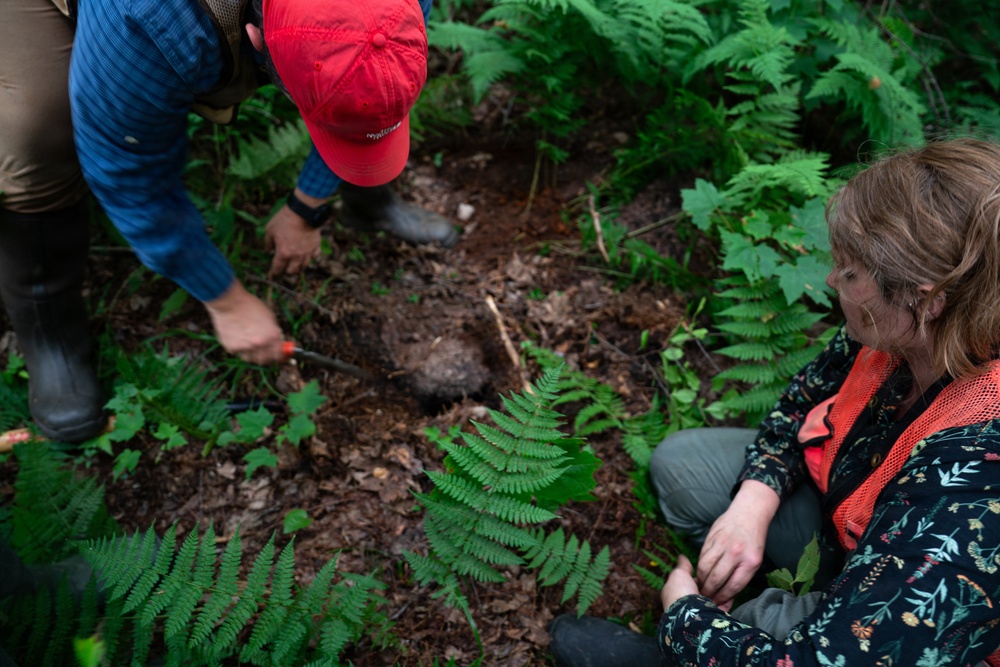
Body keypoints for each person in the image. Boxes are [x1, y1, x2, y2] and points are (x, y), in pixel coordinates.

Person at [549, 137, 1000, 666]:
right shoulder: (901, 330)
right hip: (852, 533)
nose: (832, 280)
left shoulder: (977, 468)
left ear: (925, 298)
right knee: (682, 467)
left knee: (767, 625)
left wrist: (683, 618)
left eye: (851, 273)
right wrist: (753, 505)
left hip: (922, 631)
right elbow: (800, 403)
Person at [0, 0, 457, 443]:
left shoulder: (396, 9)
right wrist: (226, 300)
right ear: (256, 39)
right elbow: (128, 173)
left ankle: (367, 203)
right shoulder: (147, 20)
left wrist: (307, 207)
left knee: (367, 77)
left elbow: (367, 72)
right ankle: (50, 332)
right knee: (37, 129)